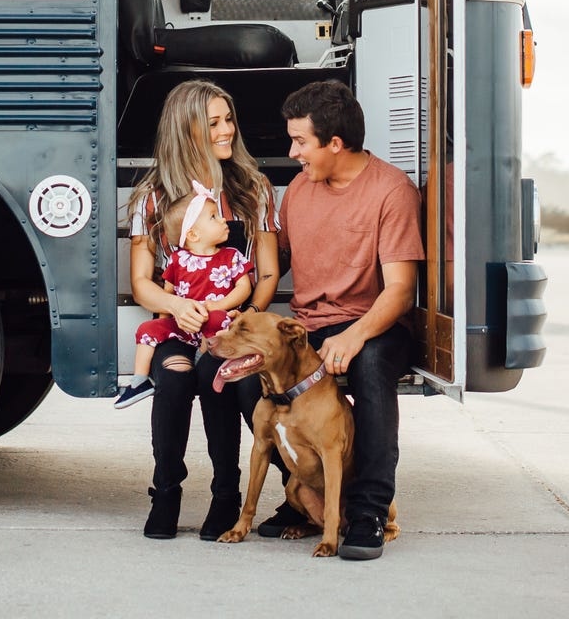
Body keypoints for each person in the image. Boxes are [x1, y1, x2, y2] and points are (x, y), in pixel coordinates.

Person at [266, 79, 423, 561]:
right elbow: (279, 262)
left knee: (371, 368)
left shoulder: (390, 190)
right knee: (234, 375)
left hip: (373, 323)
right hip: (310, 327)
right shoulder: (299, 188)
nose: (293, 153)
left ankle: (370, 509)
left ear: (335, 144)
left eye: (300, 142)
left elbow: (400, 289)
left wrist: (354, 337)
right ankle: (305, 492)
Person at [127, 79, 279, 541]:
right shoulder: (155, 196)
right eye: (213, 123)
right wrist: (179, 305)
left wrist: (242, 316)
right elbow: (141, 283)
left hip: (233, 326)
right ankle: (166, 492)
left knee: (221, 376)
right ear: (186, 131)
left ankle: (226, 495)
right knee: (173, 379)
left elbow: (267, 275)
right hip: (178, 326)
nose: (226, 130)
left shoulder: (253, 189)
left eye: (228, 119)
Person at [116, 183, 253, 409]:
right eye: (213, 217)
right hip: (183, 325)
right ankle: (139, 380)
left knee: (220, 320)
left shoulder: (231, 256)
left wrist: (219, 305)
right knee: (146, 330)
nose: (222, 220)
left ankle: (202, 361)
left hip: (214, 323)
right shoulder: (178, 259)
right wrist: (163, 322)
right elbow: (168, 294)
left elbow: (243, 288)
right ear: (192, 233)